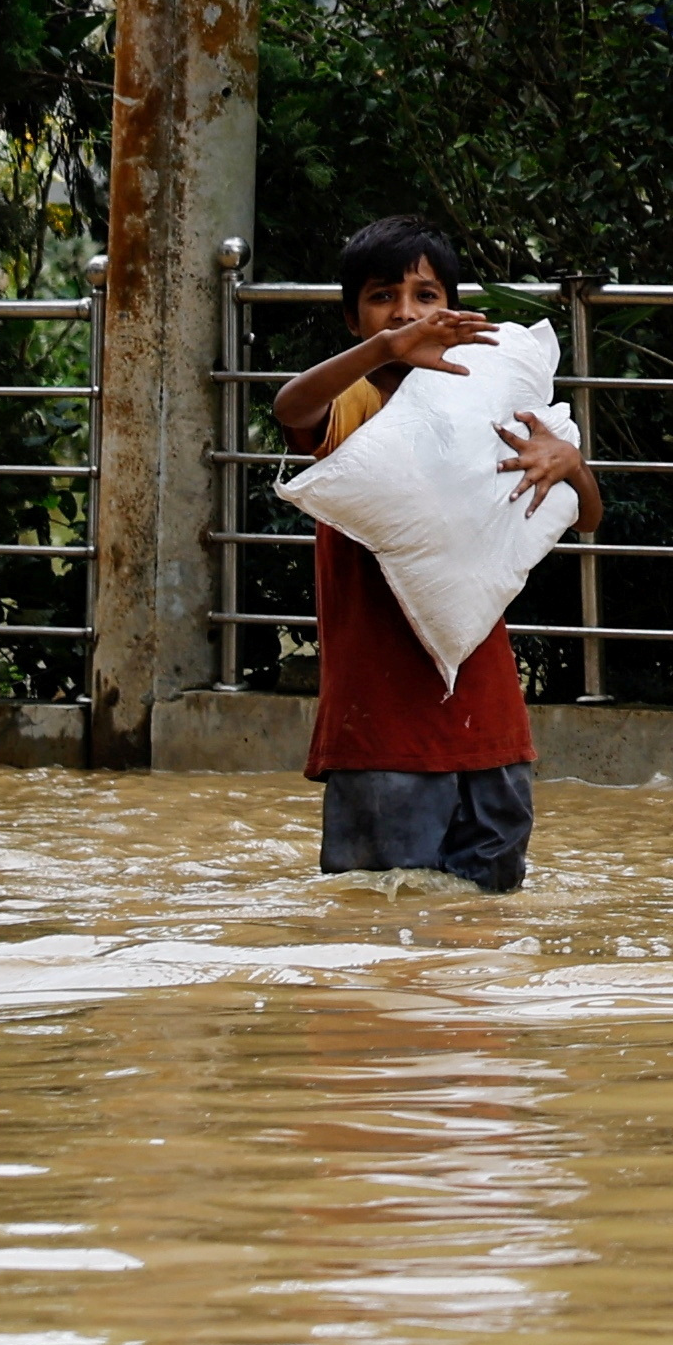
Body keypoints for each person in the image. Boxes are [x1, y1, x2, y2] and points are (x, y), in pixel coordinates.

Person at [271, 213, 599, 896]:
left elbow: (589, 516)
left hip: (493, 731)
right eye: (382, 297)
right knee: (376, 932)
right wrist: (385, 349)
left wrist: (570, 463)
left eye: (426, 295)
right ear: (352, 318)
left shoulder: (484, 397)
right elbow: (290, 406)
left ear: (453, 307)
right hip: (381, 733)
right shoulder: (354, 401)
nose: (406, 312)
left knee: (483, 938)